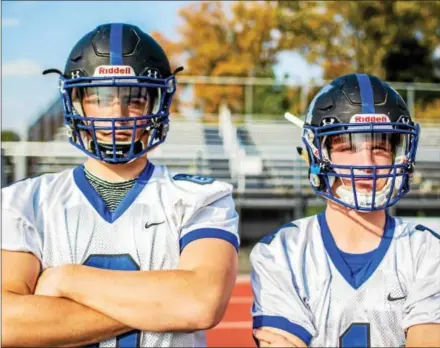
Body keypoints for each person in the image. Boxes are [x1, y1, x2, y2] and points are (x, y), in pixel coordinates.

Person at [2, 23, 239, 347]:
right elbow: (6, 323)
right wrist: (162, 307)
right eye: (101, 97)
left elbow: (200, 303)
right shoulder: (25, 201)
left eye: (135, 98)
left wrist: (66, 279)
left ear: (156, 103)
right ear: (77, 102)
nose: (119, 113)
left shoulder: (201, 197)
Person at [251, 73, 440, 347]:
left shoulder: (427, 250)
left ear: (399, 155)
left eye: (379, 148)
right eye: (347, 148)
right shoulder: (282, 252)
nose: (366, 163)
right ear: (319, 154)